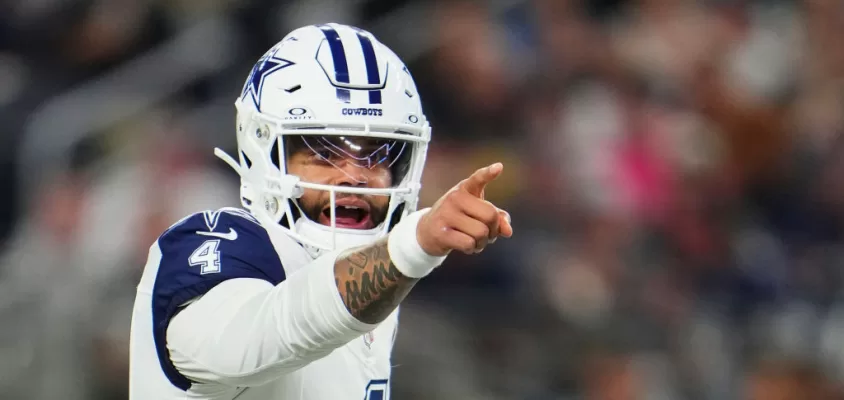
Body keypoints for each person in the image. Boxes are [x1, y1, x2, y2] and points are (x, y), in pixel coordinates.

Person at [128, 23, 512, 399]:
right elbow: (265, 334)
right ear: (264, 149)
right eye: (324, 153)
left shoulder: (379, 277)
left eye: (379, 154)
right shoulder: (211, 245)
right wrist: (411, 248)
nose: (354, 178)